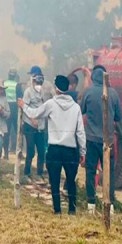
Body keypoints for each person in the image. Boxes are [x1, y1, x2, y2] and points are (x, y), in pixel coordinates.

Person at [24, 75, 86, 215]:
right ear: (68, 88)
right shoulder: (75, 107)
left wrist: (24, 106)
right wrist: (82, 152)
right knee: (71, 181)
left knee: (55, 181)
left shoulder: (51, 104)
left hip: (54, 149)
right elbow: (80, 132)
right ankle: (72, 209)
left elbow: (35, 114)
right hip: (71, 150)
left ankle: (57, 210)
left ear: (56, 89)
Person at [80, 65, 122, 214]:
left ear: (92, 78)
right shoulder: (114, 94)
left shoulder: (88, 92)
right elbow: (119, 117)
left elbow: (82, 111)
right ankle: (109, 205)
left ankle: (91, 204)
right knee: (108, 172)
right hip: (108, 141)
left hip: (91, 140)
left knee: (91, 171)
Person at [18, 66, 53, 182]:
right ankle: (26, 174)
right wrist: (32, 118)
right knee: (30, 150)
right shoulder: (28, 91)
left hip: (41, 125)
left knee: (42, 151)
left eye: (39, 82)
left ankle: (39, 173)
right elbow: (24, 106)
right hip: (29, 125)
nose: (37, 83)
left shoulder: (44, 90)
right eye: (35, 81)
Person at [2, 69, 20, 160]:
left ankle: (6, 154)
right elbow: (20, 97)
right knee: (18, 132)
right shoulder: (17, 85)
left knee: (6, 132)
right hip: (15, 109)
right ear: (15, 76)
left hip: (6, 107)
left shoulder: (4, 83)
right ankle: (19, 153)